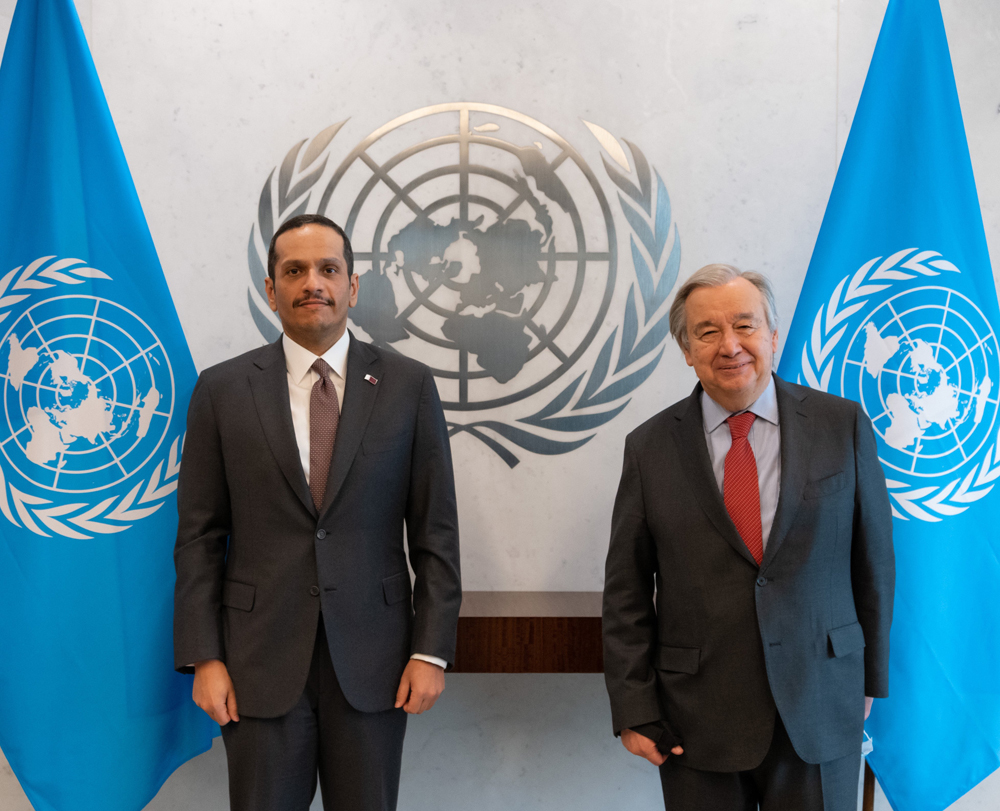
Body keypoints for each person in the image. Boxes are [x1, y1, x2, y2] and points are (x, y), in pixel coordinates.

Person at [173, 213, 462, 811]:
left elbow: (435, 532)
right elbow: (199, 537)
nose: (313, 283)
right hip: (255, 663)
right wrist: (205, 656)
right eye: (295, 270)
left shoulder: (409, 386)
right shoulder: (221, 390)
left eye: (329, 269)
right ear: (271, 288)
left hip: (378, 663)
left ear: (352, 286)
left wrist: (430, 651)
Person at [602, 264, 894, 810]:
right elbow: (627, 592)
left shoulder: (843, 425)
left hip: (822, 699)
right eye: (707, 332)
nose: (730, 345)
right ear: (686, 350)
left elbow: (873, 560)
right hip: (696, 716)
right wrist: (633, 705)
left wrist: (870, 677)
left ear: (773, 336)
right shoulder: (649, 448)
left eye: (745, 325)